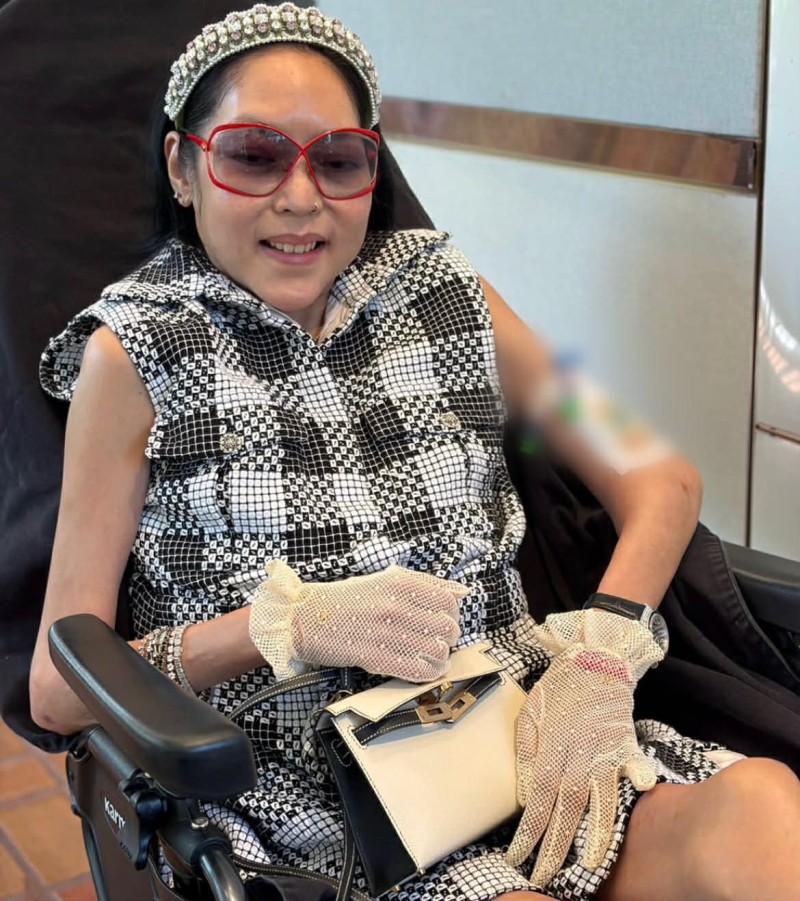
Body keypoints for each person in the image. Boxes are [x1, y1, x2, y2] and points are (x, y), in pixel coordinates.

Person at [28, 4, 800, 900]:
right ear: (183, 167)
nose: (301, 197)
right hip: (322, 813)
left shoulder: (453, 295)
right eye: (254, 155)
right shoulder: (134, 355)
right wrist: (281, 627)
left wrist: (599, 657)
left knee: (760, 809)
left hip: (523, 735)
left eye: (338, 160)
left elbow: (659, 476)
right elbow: (58, 685)